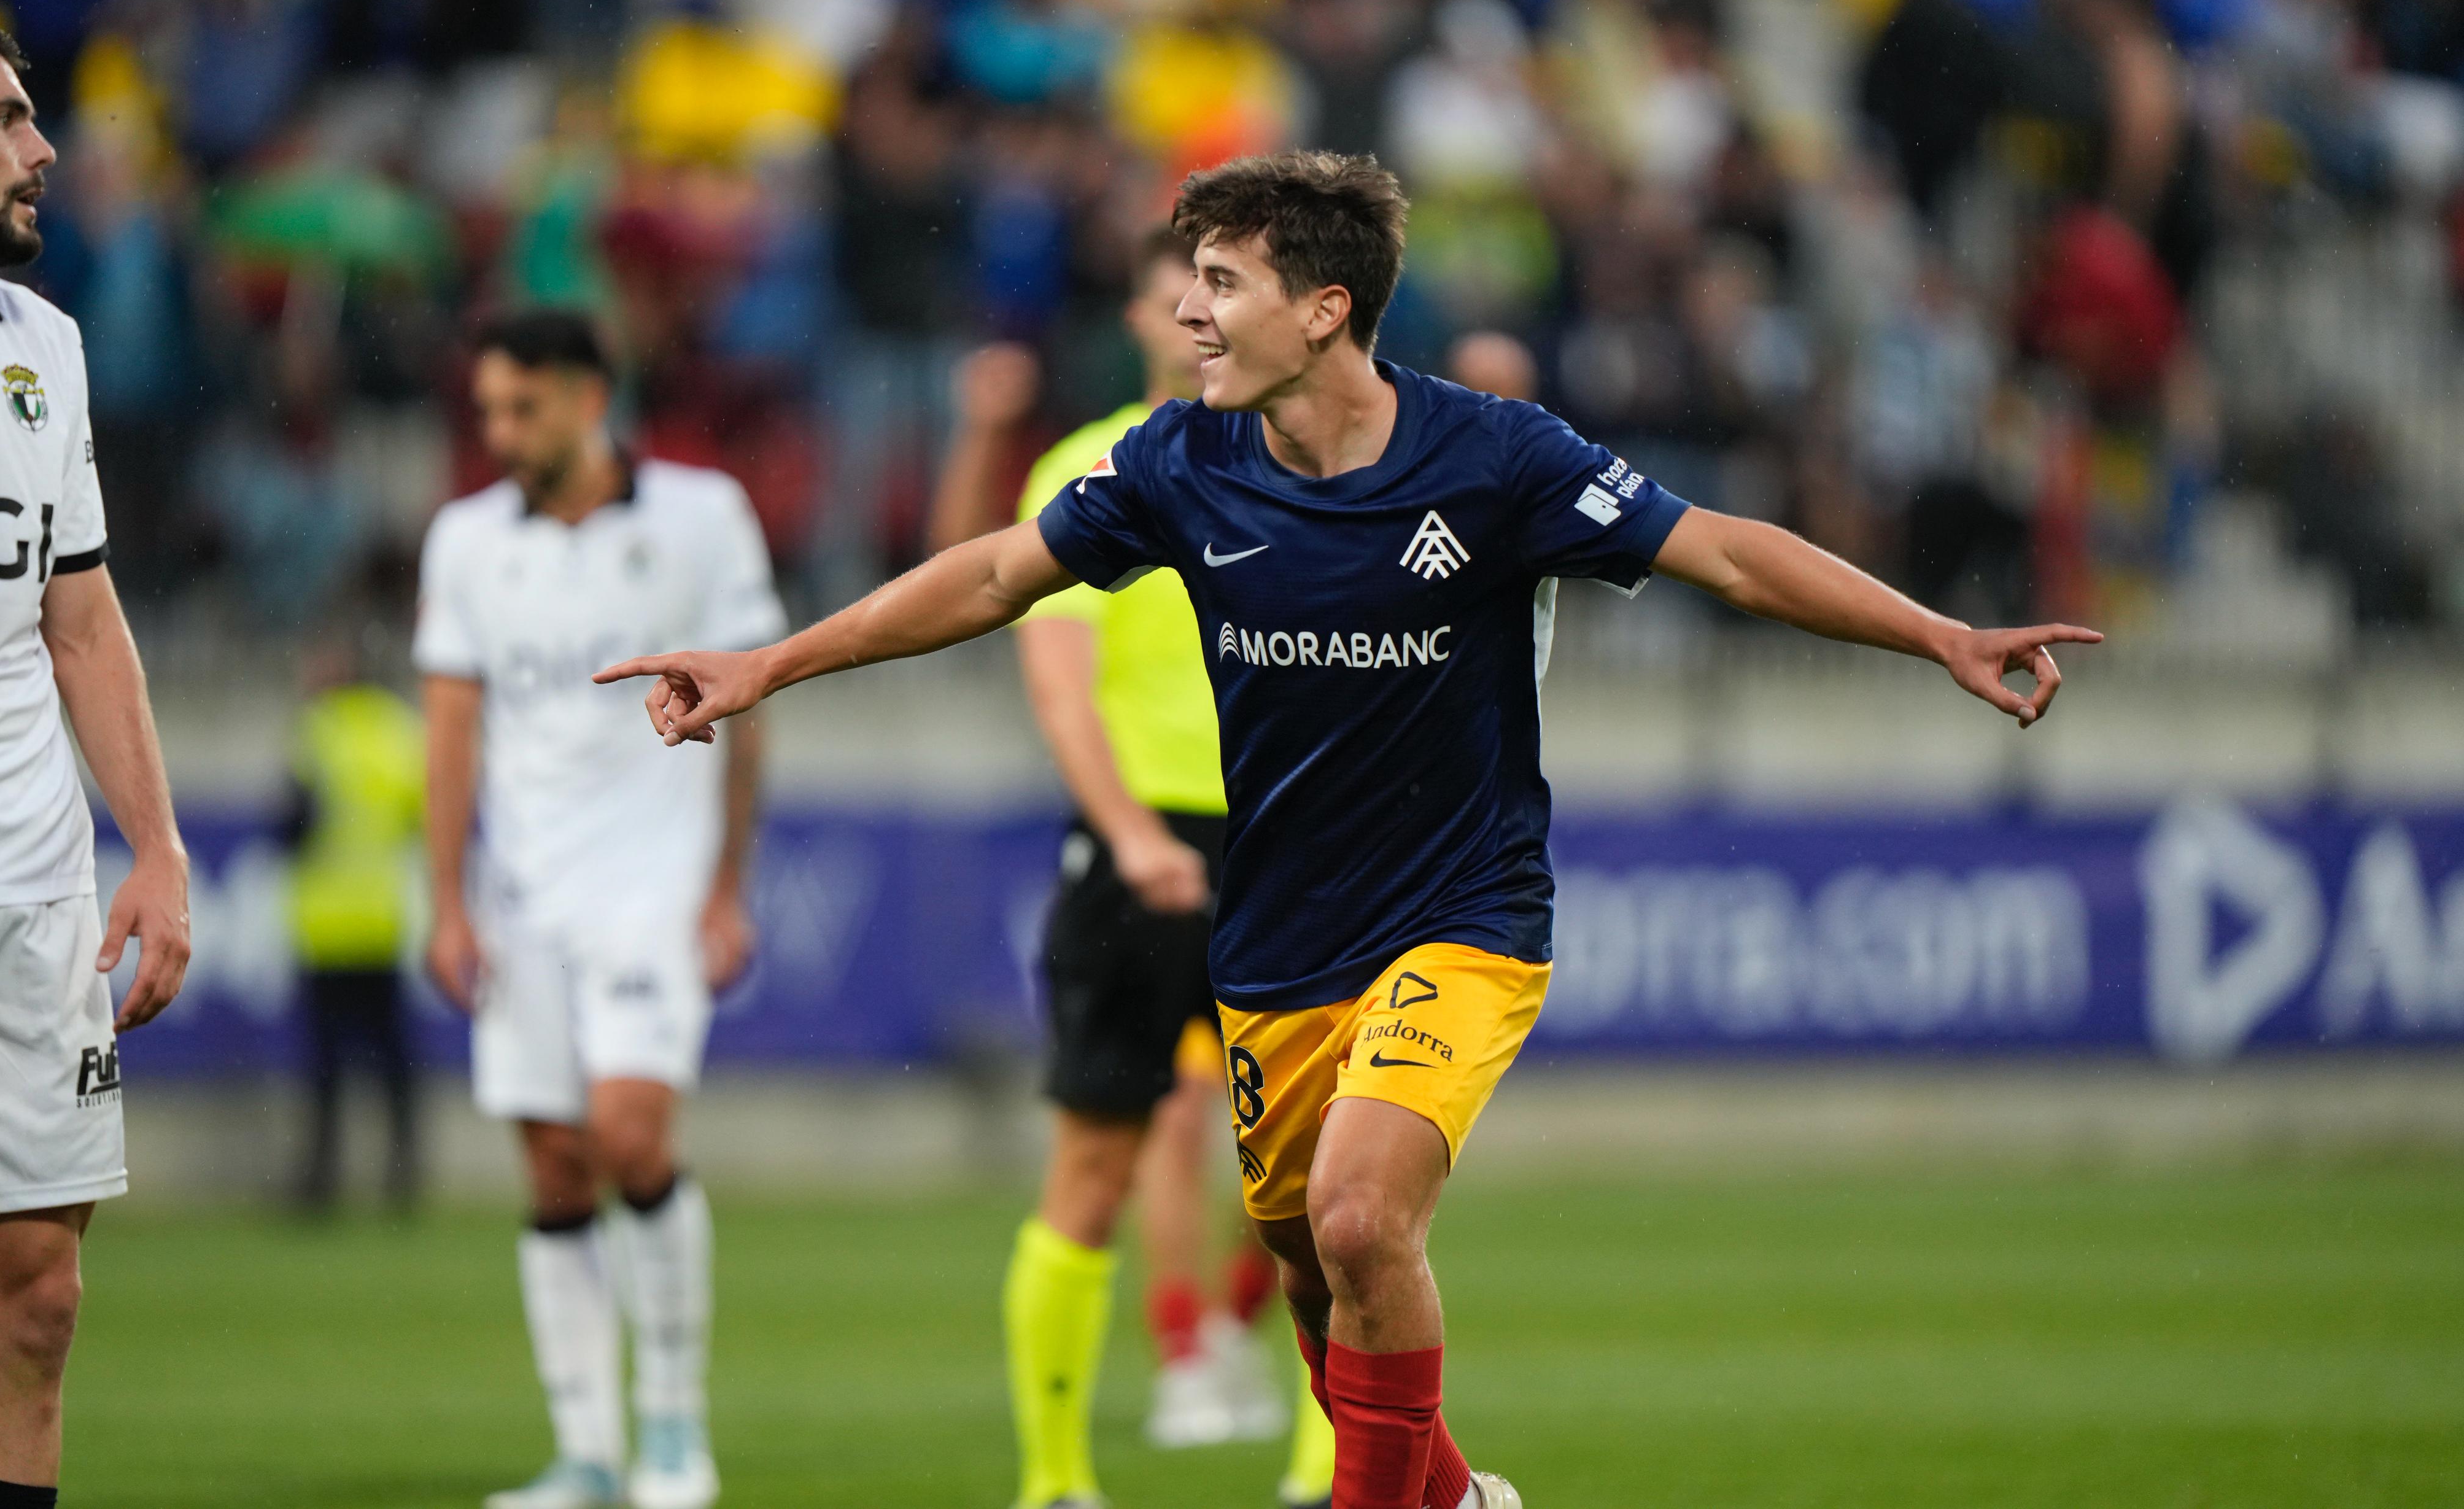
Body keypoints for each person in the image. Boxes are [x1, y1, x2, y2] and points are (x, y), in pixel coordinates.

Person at [594, 152, 2101, 1509]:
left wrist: (1937, 634)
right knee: (1321, 1281)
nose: (1186, 314)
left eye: (1220, 283)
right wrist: (765, 665)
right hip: (1279, 939)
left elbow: (1724, 552)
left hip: (1464, 913)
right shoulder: (1182, 464)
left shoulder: (1496, 457)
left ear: (1323, 310)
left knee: (1366, 1214)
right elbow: (992, 577)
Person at [943, 231, 1333, 1509]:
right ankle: (1054, 1480)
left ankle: (1335, 1470)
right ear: (1140, 315)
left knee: (1338, 1180)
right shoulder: (1095, 466)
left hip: (1289, 841)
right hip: (1142, 846)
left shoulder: (1318, 456)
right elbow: (1055, 678)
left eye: (1226, 286)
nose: (1197, 311)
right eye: (1181, 288)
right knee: (1101, 1161)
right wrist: (1128, 834)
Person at [417, 310, 785, 1509]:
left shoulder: (701, 516)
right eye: (488, 411)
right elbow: (453, 729)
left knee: (631, 1137)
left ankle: (672, 1427)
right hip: (521, 896)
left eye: (520, 407)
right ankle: (585, 1451)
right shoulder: (466, 541)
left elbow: (747, 711)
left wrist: (726, 883)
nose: (500, 431)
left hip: (655, 883)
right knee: (556, 1170)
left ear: (588, 398)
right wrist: (447, 902)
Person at [0, 23, 192, 1509]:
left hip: (26, 895)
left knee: (33, 1308)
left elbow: (78, 619)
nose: (42, 148)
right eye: (7, 118)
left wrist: (153, 845)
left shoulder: (48, 345)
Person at [282, 634, 425, 1213]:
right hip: (383, 922)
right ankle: (404, 1176)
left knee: (325, 1069)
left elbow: (291, 825)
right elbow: (424, 818)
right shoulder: (400, 728)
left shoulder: (319, 731)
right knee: (393, 1066)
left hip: (324, 928)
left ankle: (321, 1182)